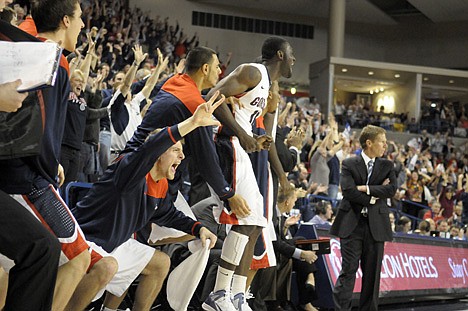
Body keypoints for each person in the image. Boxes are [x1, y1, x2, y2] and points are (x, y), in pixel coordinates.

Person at [0, 1, 118, 310]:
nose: (82, 25)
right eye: (80, 18)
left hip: (28, 172)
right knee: (78, 259)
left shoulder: (36, 52)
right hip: (27, 179)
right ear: (66, 21)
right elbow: (38, 130)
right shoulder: (46, 58)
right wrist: (50, 165)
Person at [73, 93, 222, 311]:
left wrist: (197, 228)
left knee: (160, 263)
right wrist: (192, 122)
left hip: (114, 244)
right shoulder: (129, 169)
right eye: (175, 151)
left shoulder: (161, 184)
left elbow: (168, 214)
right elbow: (148, 148)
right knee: (108, 267)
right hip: (88, 239)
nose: (181, 158)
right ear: (158, 154)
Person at [205, 36, 296, 310]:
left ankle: (235, 294)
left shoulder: (269, 86)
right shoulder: (252, 72)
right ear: (280, 55)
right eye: (291, 55)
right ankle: (219, 293)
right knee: (246, 219)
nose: (293, 61)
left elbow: (256, 128)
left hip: (241, 148)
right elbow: (213, 97)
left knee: (256, 221)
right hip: (227, 144)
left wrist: (258, 141)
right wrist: (243, 134)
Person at [330, 124, 397, 311]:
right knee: (348, 271)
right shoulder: (350, 163)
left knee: (372, 275)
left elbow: (391, 190)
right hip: (352, 224)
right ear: (369, 143)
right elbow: (349, 192)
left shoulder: (387, 165)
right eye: (382, 142)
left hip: (376, 226)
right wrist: (376, 195)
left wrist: (366, 188)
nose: (385, 146)